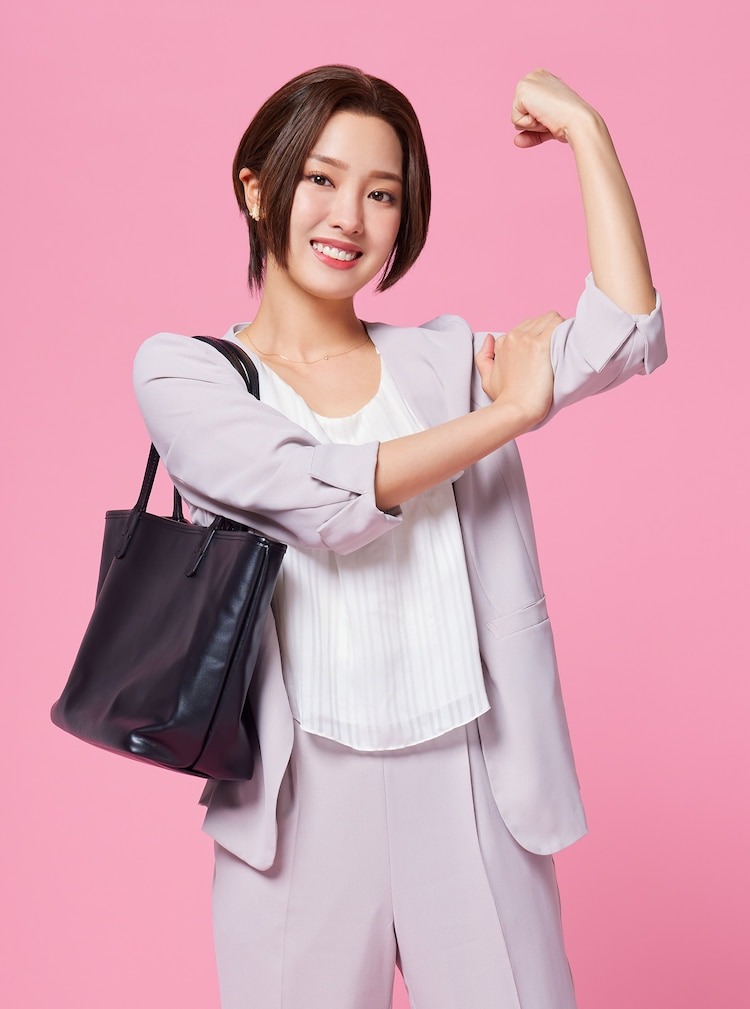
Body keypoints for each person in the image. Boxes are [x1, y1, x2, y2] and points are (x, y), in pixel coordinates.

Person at [133, 64, 666, 1009]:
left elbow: (623, 334)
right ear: (255, 187)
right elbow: (323, 499)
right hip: (297, 806)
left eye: (382, 194)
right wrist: (508, 414)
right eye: (321, 179)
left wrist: (587, 130)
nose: (349, 217)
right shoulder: (188, 376)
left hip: (473, 782)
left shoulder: (441, 360)